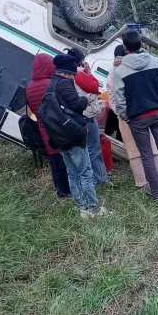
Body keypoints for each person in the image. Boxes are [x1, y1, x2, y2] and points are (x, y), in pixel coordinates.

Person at [113, 30, 158, 201]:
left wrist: (126, 116)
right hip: (157, 114)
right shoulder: (156, 63)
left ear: (125, 48)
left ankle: (157, 194)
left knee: (147, 156)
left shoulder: (120, 71)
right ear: (141, 44)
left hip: (137, 119)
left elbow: (119, 100)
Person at [47, 54, 108, 218]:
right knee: (85, 173)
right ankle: (93, 209)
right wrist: (85, 99)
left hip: (59, 136)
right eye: (72, 74)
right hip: (72, 134)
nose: (73, 77)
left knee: (72, 173)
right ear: (67, 72)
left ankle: (82, 209)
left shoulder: (50, 84)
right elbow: (76, 104)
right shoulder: (64, 84)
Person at [107, 44, 158, 188]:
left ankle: (142, 183)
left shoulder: (114, 72)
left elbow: (112, 97)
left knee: (134, 151)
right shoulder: (139, 67)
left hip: (127, 117)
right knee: (153, 148)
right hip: (144, 112)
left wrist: (122, 114)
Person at [25, 53, 70, 198]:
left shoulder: (29, 87)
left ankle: (61, 193)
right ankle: (70, 190)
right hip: (59, 127)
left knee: (55, 162)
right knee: (66, 160)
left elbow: (31, 109)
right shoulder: (52, 84)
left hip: (43, 128)